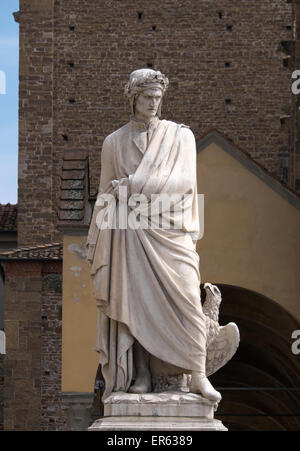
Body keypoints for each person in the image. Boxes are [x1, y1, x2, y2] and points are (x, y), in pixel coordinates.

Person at [86, 69, 221, 402]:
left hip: (172, 233)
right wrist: (97, 243)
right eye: (147, 98)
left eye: (158, 99)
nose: (153, 104)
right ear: (133, 97)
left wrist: (131, 189)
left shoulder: (180, 138)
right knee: (135, 304)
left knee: (189, 298)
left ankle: (197, 374)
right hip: (130, 236)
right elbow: (105, 195)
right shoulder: (114, 143)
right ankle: (141, 375)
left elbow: (184, 187)